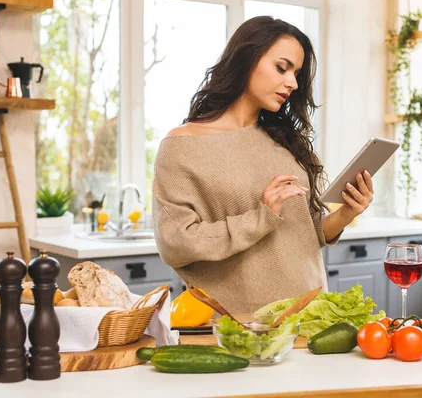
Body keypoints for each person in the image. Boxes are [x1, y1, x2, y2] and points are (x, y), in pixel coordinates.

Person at [152, 16, 374, 314]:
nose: (292, 83)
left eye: (296, 73)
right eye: (282, 68)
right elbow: (177, 243)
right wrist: (261, 217)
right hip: (241, 325)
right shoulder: (182, 147)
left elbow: (304, 232)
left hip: (311, 315)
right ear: (246, 58)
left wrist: (346, 214)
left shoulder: (285, 142)